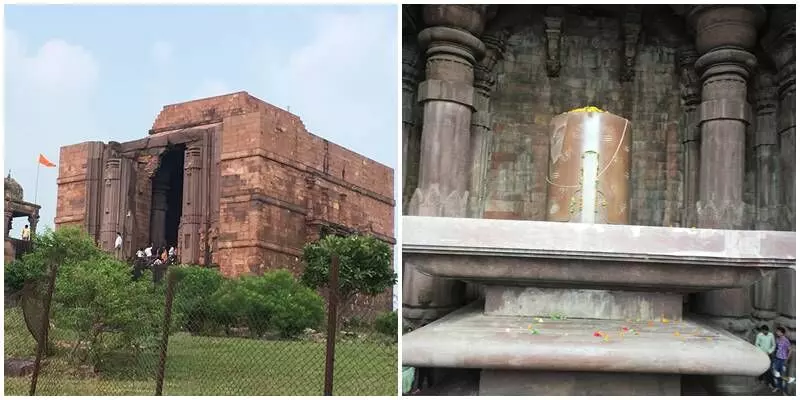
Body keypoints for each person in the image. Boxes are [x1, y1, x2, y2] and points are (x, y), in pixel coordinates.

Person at [772, 327, 793, 394]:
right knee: (775, 373)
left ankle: (783, 391)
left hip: (783, 360)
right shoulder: (777, 339)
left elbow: (790, 350)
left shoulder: (786, 340)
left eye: (778, 331)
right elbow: (777, 348)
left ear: (782, 333)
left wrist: (786, 360)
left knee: (782, 374)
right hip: (777, 359)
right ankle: (778, 387)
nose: (777, 332)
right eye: (777, 331)